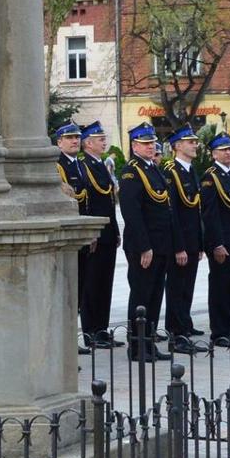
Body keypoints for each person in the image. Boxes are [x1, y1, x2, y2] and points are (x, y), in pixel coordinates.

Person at [117, 124, 172, 362]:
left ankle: (149, 344)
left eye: (153, 143)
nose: (151, 147)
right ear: (134, 146)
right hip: (145, 246)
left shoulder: (153, 169)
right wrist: (144, 246)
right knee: (141, 295)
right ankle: (137, 346)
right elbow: (132, 212)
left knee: (155, 296)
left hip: (161, 243)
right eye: (146, 144)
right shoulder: (132, 171)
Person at [200, 133, 230, 348]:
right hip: (222, 244)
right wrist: (217, 244)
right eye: (224, 150)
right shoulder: (211, 177)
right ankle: (219, 331)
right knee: (220, 288)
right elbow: (210, 215)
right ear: (213, 154)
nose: (229, 153)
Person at [163, 127, 206, 354]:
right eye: (189, 142)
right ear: (177, 145)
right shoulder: (171, 172)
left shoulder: (190, 171)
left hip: (191, 240)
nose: (195, 145)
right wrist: (179, 246)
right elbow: (174, 213)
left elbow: (194, 210)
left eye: (195, 141)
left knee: (187, 286)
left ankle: (185, 324)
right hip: (179, 242)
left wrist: (198, 243)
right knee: (177, 286)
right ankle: (175, 332)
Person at [79, 122, 122, 349]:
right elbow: (88, 203)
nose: (104, 142)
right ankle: (90, 331)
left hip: (107, 233)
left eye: (104, 138)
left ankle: (102, 329)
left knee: (105, 283)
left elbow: (109, 202)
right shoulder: (84, 165)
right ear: (88, 143)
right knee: (92, 284)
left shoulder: (102, 165)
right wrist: (90, 234)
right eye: (99, 139)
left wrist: (115, 231)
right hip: (94, 234)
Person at [55, 122, 90, 353]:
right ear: (59, 142)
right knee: (66, 291)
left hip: (82, 232)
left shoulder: (79, 165)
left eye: (77, 138)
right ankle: (65, 342)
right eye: (69, 138)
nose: (74, 141)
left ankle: (72, 340)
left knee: (78, 292)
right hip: (68, 233)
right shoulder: (57, 166)